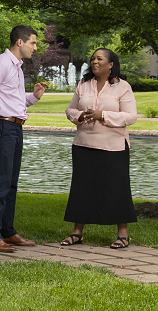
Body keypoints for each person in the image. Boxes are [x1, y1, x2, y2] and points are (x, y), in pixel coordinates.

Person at [0, 25, 48, 253]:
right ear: (20, 42)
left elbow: (13, 102)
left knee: (11, 182)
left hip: (14, 128)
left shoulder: (16, 68)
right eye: (33, 43)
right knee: (0, 181)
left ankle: (7, 231)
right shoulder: (1, 63)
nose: (35, 48)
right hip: (1, 127)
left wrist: (33, 97)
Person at [60, 48, 139, 249]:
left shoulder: (123, 87)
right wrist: (79, 116)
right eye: (93, 58)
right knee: (82, 188)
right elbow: (70, 110)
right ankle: (77, 232)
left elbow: (130, 117)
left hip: (114, 147)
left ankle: (123, 234)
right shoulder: (83, 85)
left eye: (100, 59)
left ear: (111, 64)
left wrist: (102, 115)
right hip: (83, 145)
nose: (95, 61)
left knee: (117, 189)